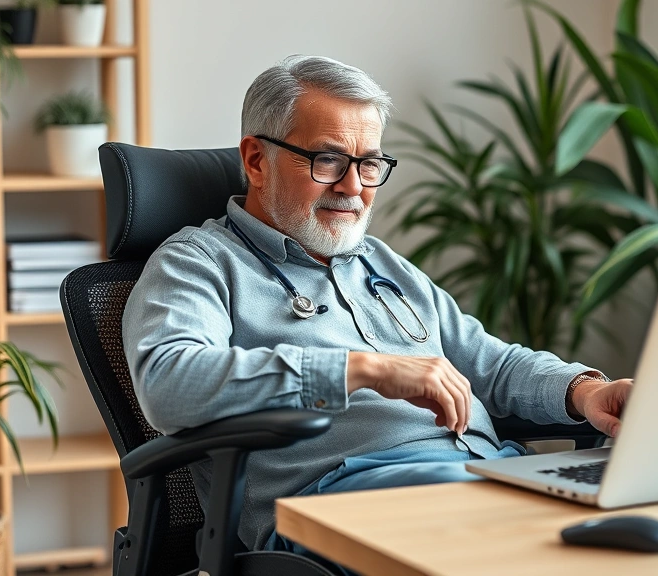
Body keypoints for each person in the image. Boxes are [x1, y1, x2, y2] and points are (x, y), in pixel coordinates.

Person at [122, 54, 632, 560]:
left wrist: (586, 391)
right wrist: (364, 370)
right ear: (256, 160)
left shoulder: (379, 263)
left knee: (641, 520)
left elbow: (491, 364)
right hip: (345, 500)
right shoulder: (197, 263)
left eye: (369, 164)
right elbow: (170, 384)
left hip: (485, 474)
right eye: (328, 161)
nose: (354, 187)